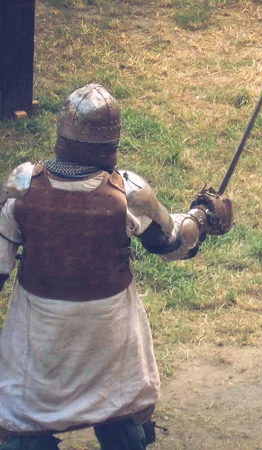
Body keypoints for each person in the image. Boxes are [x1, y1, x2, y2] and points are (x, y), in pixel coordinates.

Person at [0, 84, 232, 449]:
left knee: (27, 419)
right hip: (107, 332)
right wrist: (202, 217)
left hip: (40, 331)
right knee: (117, 406)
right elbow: (171, 243)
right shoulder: (127, 194)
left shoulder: (23, 188)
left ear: (61, 134)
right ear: (111, 143)